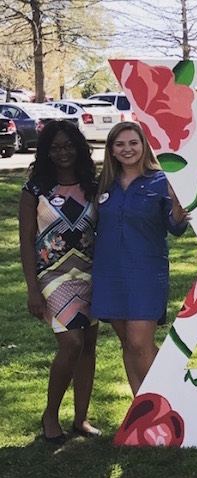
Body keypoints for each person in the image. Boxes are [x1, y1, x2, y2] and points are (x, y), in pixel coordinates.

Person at [92, 122, 189, 395]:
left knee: (139, 343)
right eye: (120, 144)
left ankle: (171, 401)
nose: (127, 149)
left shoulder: (161, 181)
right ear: (111, 150)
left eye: (133, 142)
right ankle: (141, 411)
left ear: (144, 145)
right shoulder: (104, 183)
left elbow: (175, 227)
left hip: (145, 273)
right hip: (109, 273)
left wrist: (179, 212)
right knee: (129, 345)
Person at [19, 121, 101, 443]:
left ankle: (81, 419)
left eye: (68, 146)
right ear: (46, 151)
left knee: (89, 348)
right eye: (55, 147)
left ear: (78, 147)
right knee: (71, 344)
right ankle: (50, 414)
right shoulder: (34, 190)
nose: (63, 152)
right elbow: (26, 241)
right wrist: (32, 288)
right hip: (53, 276)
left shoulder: (91, 185)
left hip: (91, 274)